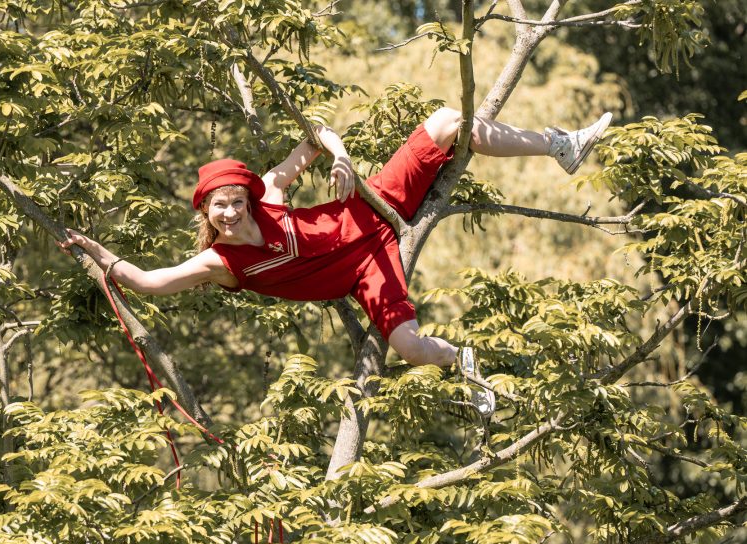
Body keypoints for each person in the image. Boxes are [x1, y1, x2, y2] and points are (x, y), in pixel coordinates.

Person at [59, 107, 612, 416]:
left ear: (248, 199)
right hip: (365, 271)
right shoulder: (222, 262)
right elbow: (150, 281)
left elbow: (316, 132)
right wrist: (97, 253)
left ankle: (558, 145)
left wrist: (342, 156)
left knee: (445, 120)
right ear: (206, 212)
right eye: (216, 207)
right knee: (412, 348)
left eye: (233, 201)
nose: (227, 213)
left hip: (370, 206)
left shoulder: (273, 192)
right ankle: (461, 361)